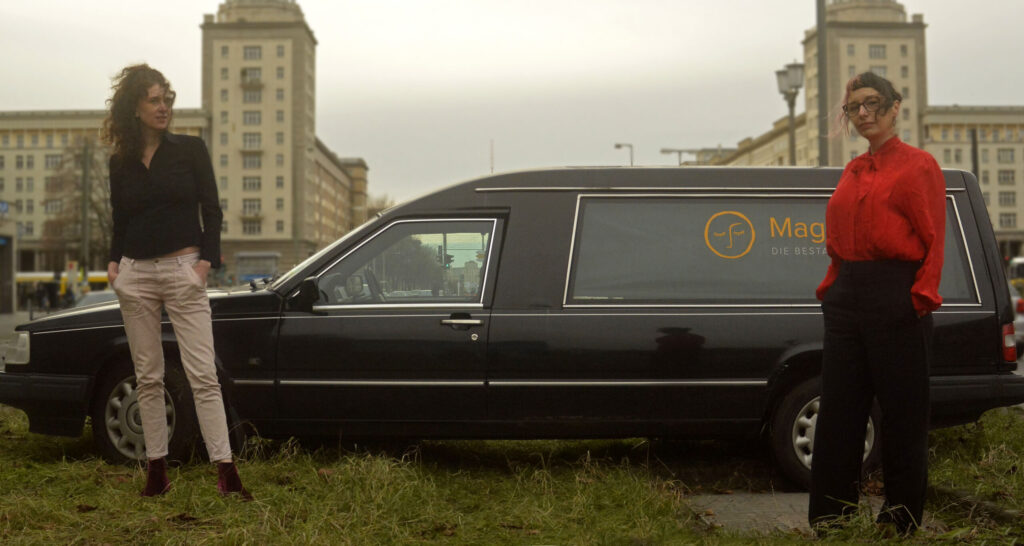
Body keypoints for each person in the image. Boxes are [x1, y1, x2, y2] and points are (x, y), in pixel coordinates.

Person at [102, 64, 251, 499]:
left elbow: (213, 210)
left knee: (203, 374)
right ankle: (156, 472)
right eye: (153, 99)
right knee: (147, 377)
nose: (163, 106)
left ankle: (226, 472)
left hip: (183, 269)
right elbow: (120, 220)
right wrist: (114, 265)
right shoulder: (121, 164)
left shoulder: (189, 150)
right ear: (135, 107)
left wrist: (206, 263)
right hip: (136, 275)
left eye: (166, 98)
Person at [809, 72, 945, 535]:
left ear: (894, 107)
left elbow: (933, 238)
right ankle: (832, 517)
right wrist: (832, 286)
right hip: (847, 295)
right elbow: (836, 239)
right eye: (854, 108)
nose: (863, 114)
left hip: (896, 294)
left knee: (903, 414)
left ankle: (900, 519)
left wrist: (919, 299)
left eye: (872, 104)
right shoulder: (852, 170)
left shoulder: (919, 165)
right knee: (839, 410)